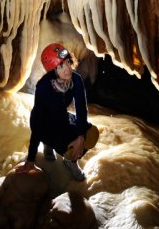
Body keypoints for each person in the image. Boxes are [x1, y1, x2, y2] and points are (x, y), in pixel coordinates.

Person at [15, 42, 99, 181]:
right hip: (43, 124)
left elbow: (81, 109)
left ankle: (70, 161)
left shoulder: (76, 80)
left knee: (91, 134)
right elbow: (38, 121)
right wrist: (30, 160)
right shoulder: (43, 86)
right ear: (53, 70)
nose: (67, 68)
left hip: (62, 116)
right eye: (60, 66)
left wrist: (80, 136)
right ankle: (50, 145)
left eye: (67, 62)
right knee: (66, 146)